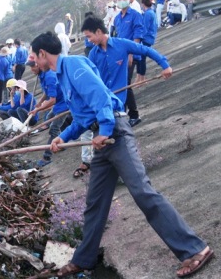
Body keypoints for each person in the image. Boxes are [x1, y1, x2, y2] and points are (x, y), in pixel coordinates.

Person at [30, 31, 214, 279]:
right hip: (102, 141)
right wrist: (63, 137)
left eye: (33, 57)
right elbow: (83, 116)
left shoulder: (73, 65)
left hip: (114, 132)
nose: (33, 63)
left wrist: (105, 131)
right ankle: (83, 260)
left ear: (43, 54)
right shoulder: (61, 75)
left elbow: (101, 98)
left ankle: (196, 250)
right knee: (95, 203)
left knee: (143, 192)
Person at [26, 55, 69, 167]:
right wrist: (40, 101)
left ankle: (47, 156)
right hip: (58, 103)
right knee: (49, 118)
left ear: (38, 65)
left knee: (54, 127)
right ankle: (62, 143)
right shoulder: (42, 75)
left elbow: (52, 100)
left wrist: (38, 110)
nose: (32, 70)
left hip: (64, 103)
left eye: (33, 67)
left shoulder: (49, 76)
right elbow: (47, 92)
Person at [113, 0, 144, 127]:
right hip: (121, 56)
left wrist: (131, 53)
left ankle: (134, 114)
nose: (121, 0)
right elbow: (118, 38)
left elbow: (137, 35)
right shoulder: (117, 18)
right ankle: (124, 113)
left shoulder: (135, 15)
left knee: (125, 83)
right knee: (121, 83)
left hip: (132, 55)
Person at [136, 0, 158, 83]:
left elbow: (144, 28)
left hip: (146, 39)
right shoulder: (151, 12)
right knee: (142, 58)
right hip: (150, 38)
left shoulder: (148, 14)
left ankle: (142, 79)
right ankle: (140, 79)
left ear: (143, 4)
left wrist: (139, 38)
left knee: (141, 59)